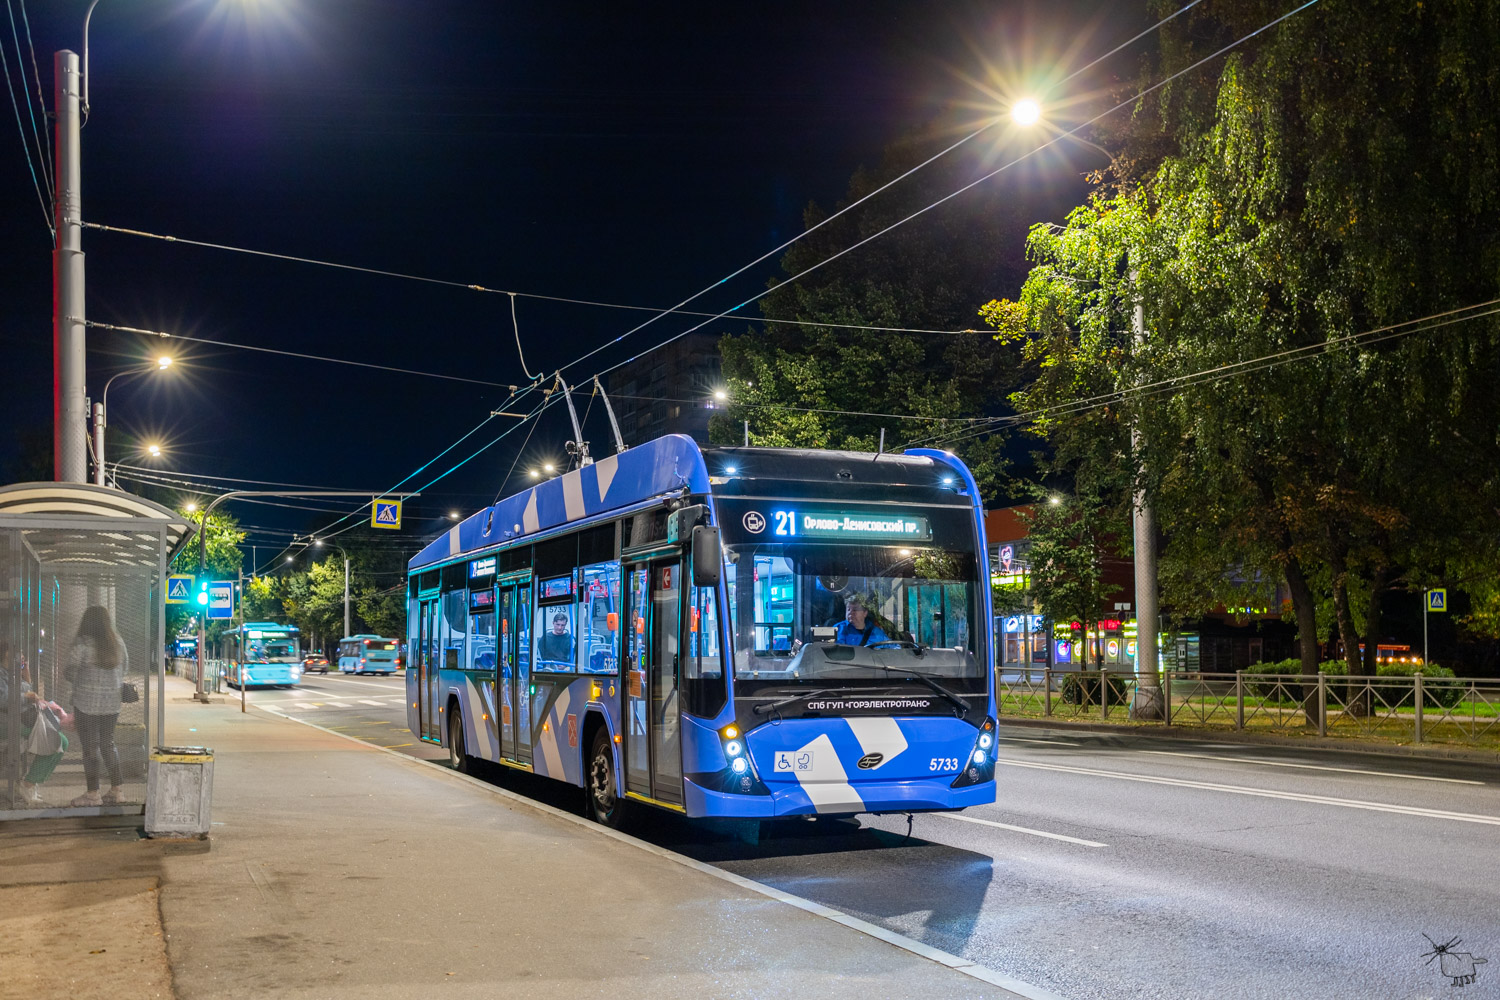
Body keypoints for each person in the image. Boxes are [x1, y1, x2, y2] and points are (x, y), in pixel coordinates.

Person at [66, 606, 127, 807]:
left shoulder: (83, 644)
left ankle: (93, 793)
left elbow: (70, 671)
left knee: (90, 748)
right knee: (108, 744)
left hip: (86, 704)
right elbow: (124, 668)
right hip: (112, 704)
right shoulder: (117, 643)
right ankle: (117, 790)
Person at [0, 640, 68, 806]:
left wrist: (26, 671)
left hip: (22, 719)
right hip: (8, 722)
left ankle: (30, 783)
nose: (22, 655)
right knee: (56, 741)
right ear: (7, 653)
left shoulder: (13, 672)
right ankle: (27, 784)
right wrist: (25, 697)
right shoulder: (2, 674)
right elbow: (3, 699)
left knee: (61, 742)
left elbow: (29, 689)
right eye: (19, 651)